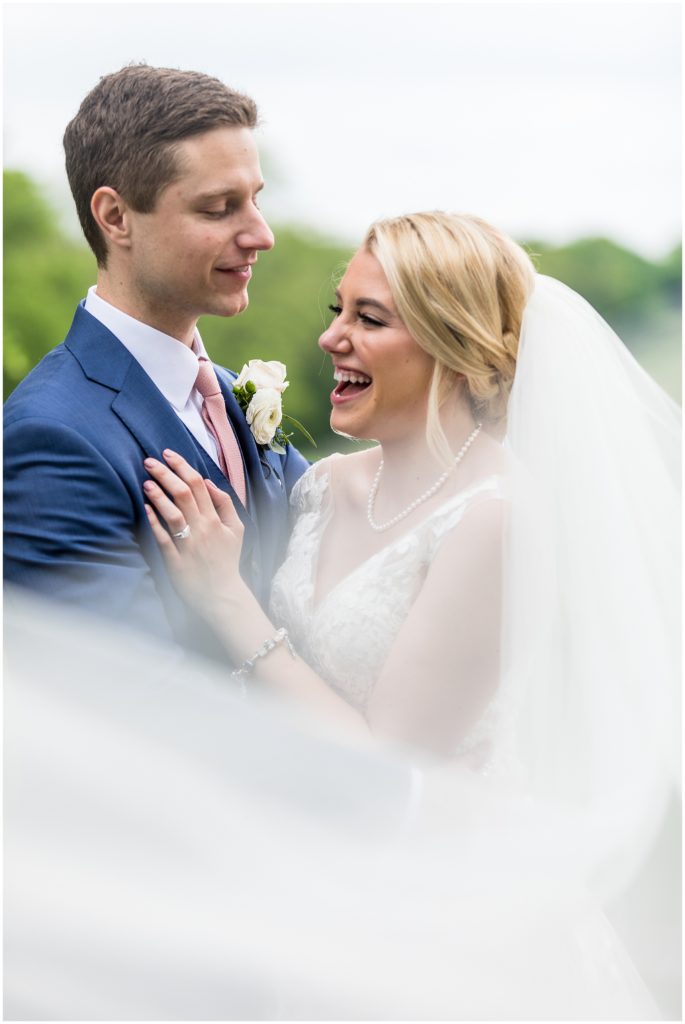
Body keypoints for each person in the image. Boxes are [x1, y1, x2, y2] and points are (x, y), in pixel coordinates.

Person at [3, 64, 308, 656]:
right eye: (220, 208)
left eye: (255, 200)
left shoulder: (226, 395)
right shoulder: (51, 440)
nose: (261, 234)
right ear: (116, 217)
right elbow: (123, 714)